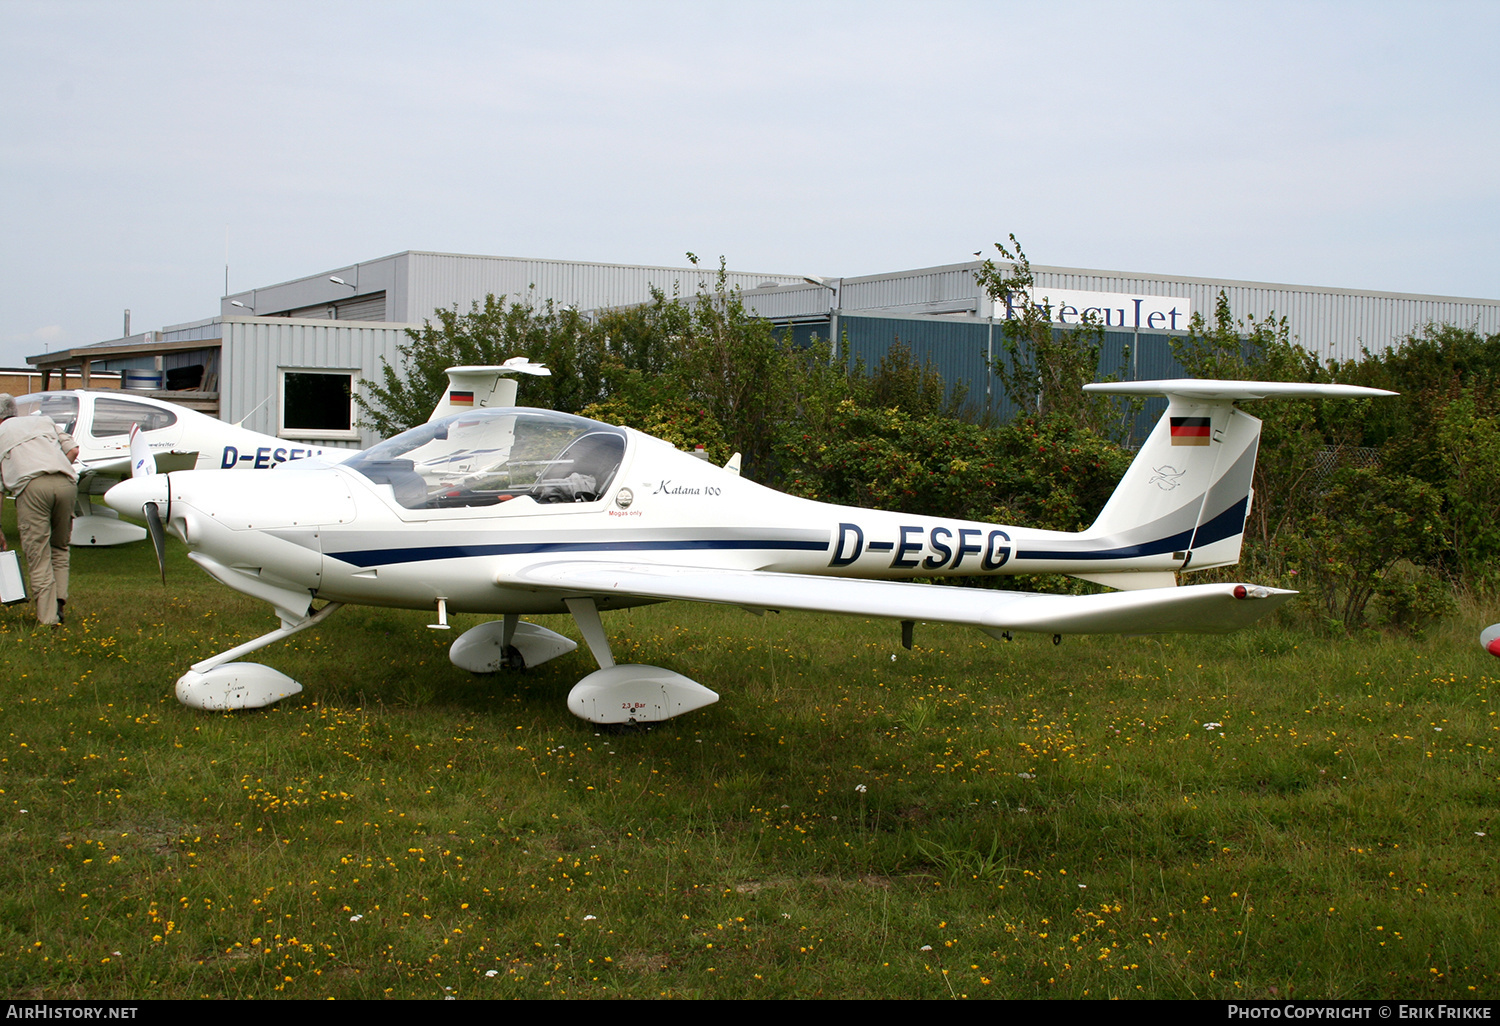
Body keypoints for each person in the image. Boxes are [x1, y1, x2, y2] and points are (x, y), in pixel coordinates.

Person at [0, 394, 80, 626]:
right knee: (60, 546)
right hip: (66, 483)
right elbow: (73, 451)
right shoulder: (43, 421)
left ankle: (47, 618)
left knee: (38, 553)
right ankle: (59, 602)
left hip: (32, 487)